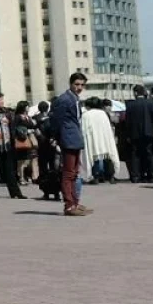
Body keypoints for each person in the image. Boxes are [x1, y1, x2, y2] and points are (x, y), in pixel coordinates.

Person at [49, 72, 92, 216]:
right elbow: (56, 120)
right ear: (71, 84)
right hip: (68, 138)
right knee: (68, 174)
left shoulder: (75, 99)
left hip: (75, 137)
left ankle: (75, 202)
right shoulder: (64, 99)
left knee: (74, 173)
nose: (79, 87)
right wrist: (55, 137)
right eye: (77, 84)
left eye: (82, 85)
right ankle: (69, 205)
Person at [124, 85, 153, 184]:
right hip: (150, 132)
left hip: (134, 134)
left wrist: (127, 134)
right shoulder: (151, 103)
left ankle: (136, 176)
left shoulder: (130, 105)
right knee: (150, 154)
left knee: (135, 154)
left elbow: (127, 121)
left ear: (135, 93)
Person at [83, 98, 119, 185]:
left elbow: (84, 129)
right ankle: (110, 176)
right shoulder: (103, 113)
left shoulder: (86, 115)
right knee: (108, 157)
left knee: (94, 157)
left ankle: (95, 177)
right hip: (105, 138)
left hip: (93, 138)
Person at [33, 101, 61, 199]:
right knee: (54, 169)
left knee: (43, 170)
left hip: (42, 147)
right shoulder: (52, 117)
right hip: (52, 145)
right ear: (47, 108)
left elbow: (35, 131)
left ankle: (46, 193)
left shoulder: (35, 118)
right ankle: (56, 192)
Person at [10, 101, 38, 186]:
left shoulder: (28, 117)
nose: (28, 107)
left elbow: (32, 126)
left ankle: (25, 176)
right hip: (21, 140)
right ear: (24, 107)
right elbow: (14, 128)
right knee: (21, 161)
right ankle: (21, 178)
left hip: (28, 140)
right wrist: (15, 138)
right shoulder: (18, 117)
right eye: (27, 106)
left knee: (27, 160)